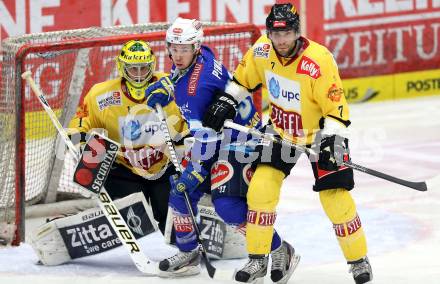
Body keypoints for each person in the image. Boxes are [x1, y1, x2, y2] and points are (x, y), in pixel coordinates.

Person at [202, 3, 373, 284]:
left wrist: (331, 141)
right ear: (269, 32)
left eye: (288, 33)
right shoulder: (261, 50)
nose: (281, 40)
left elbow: (337, 109)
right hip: (281, 131)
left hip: (325, 134)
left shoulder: (318, 60)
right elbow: (242, 80)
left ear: (297, 32)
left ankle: (358, 261)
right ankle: (258, 259)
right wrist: (227, 99)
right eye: (275, 34)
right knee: (260, 191)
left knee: (336, 198)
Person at [145, 17, 300, 280]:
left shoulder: (197, 88)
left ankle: (280, 248)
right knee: (179, 195)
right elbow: (192, 81)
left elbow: (206, 134)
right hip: (218, 139)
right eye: (174, 48)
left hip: (240, 144)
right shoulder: (202, 55)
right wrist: (169, 85)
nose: (178, 55)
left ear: (195, 46)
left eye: (184, 49)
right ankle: (189, 252)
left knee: (227, 206)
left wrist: (196, 169)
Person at [68, 39, 188, 234]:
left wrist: (186, 141)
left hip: (164, 167)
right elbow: (81, 121)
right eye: (133, 69)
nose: (139, 75)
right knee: (132, 228)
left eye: (144, 68)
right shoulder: (102, 95)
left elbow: (190, 119)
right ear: (122, 67)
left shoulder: (171, 87)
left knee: (175, 227)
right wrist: (77, 138)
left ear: (153, 66)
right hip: (123, 169)